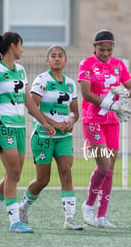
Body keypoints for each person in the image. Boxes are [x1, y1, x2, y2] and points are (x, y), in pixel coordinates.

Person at [0, 32, 56, 233]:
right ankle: (14, 223)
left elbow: (28, 101)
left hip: (20, 128)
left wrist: (44, 122)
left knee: (14, 174)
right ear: (13, 46)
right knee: (13, 173)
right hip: (4, 127)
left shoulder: (20, 70)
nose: (23, 49)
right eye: (21, 45)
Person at [18, 45, 83, 231]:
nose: (56, 58)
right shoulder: (42, 80)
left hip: (64, 137)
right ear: (47, 61)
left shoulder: (71, 83)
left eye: (60, 56)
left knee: (67, 173)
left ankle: (70, 219)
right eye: (53, 56)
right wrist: (53, 124)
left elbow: (74, 111)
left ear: (65, 60)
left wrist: (71, 121)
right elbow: (32, 107)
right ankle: (22, 208)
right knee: (42, 180)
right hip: (42, 136)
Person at [78, 29, 131, 229]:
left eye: (109, 50)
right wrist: (108, 104)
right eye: (102, 50)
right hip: (92, 119)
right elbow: (85, 93)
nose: (106, 54)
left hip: (112, 122)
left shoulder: (118, 65)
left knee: (110, 169)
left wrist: (123, 93)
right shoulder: (87, 64)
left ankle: (102, 216)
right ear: (94, 47)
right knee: (103, 165)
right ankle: (88, 206)